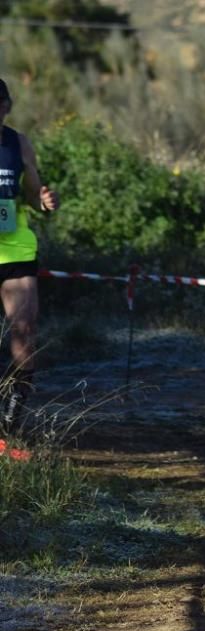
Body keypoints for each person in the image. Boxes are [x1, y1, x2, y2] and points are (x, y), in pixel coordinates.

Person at [0, 78, 60, 432]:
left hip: (15, 248)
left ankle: (10, 421)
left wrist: (43, 200)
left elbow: (33, 189)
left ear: (7, 107)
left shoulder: (18, 142)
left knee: (25, 330)